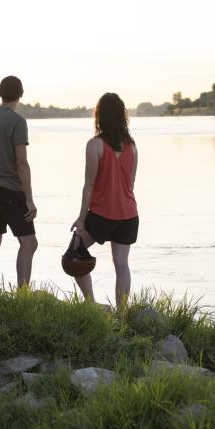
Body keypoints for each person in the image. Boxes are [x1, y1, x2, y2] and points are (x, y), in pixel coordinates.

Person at [71, 92, 138, 307]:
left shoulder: (94, 145)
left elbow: (89, 185)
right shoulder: (132, 146)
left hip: (102, 215)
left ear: (99, 116)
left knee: (74, 255)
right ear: (122, 116)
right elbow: (131, 184)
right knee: (121, 265)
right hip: (128, 215)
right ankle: (122, 314)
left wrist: (81, 219)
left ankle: (91, 304)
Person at [0, 75, 38, 287]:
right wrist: (29, 199)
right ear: (21, 94)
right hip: (11, 189)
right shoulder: (18, 122)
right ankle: (22, 293)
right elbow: (21, 162)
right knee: (29, 243)